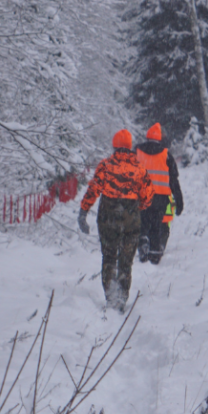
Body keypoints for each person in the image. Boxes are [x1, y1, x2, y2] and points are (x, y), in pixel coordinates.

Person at [78, 129, 152, 310]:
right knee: (126, 261)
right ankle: (122, 297)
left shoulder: (105, 166)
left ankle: (111, 294)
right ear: (130, 147)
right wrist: (137, 206)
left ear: (115, 146)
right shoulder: (140, 169)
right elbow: (148, 197)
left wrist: (83, 211)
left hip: (108, 219)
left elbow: (93, 190)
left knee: (109, 257)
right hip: (131, 221)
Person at [135, 123, 185, 265]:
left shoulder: (137, 152)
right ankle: (155, 254)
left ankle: (143, 242)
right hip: (160, 199)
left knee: (142, 222)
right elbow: (174, 181)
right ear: (160, 138)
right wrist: (179, 202)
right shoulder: (166, 155)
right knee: (156, 225)